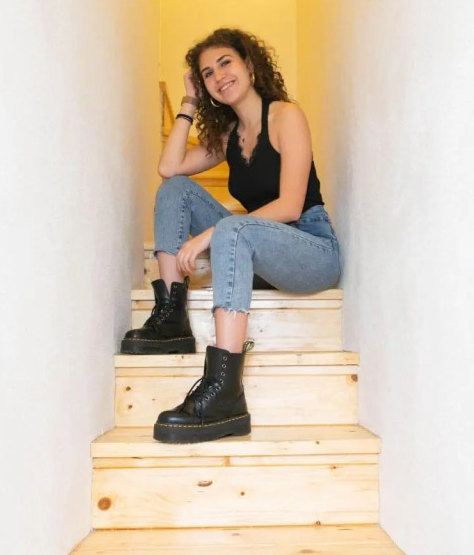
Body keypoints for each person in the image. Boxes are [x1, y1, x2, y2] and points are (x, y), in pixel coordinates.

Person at [120, 28, 341, 444]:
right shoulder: (228, 138)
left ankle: (224, 390)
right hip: (259, 256)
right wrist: (188, 102)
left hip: (310, 249)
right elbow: (169, 168)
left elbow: (291, 206)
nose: (218, 75)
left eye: (225, 63)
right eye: (207, 73)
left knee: (233, 228)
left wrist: (212, 233)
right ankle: (170, 317)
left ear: (249, 65)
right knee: (175, 189)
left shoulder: (286, 116)